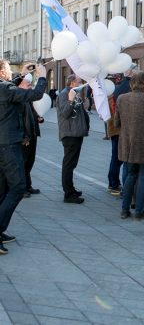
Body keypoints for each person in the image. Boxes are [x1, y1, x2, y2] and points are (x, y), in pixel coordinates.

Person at [0, 60, 46, 255]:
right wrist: (43, 76)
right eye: (10, 71)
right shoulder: (5, 88)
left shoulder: (5, 88)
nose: (12, 73)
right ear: (2, 72)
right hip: (8, 145)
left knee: (2, 189)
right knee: (18, 187)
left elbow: (12, 91)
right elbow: (33, 94)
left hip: (4, 143)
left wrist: (22, 73)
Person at [114, 72, 144, 220]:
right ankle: (139, 211)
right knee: (143, 176)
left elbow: (116, 123)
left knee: (130, 175)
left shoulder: (122, 99)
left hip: (127, 144)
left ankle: (125, 209)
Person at [56, 74, 90, 204]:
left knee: (72, 164)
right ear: (72, 83)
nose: (81, 84)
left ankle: (71, 189)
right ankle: (68, 194)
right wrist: (71, 100)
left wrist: (83, 97)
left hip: (76, 133)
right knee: (68, 164)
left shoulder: (74, 93)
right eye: (80, 82)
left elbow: (83, 110)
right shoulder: (65, 94)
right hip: (70, 134)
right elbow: (65, 113)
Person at [18, 74, 44, 198]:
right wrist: (24, 136)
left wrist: (39, 118)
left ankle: (28, 185)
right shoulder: (19, 99)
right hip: (25, 137)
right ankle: (22, 189)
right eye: (28, 85)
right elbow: (19, 120)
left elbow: (33, 114)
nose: (30, 87)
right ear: (21, 86)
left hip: (32, 134)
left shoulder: (28, 100)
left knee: (30, 162)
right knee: (22, 163)